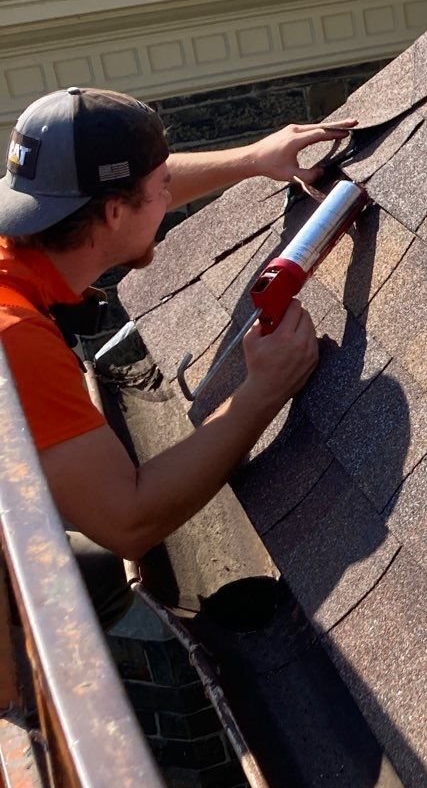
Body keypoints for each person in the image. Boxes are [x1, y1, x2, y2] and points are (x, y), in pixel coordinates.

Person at [0, 87, 350, 583]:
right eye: (161, 187)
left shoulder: (24, 226)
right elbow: (128, 520)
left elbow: (133, 190)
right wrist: (262, 393)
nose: (168, 196)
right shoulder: (14, 338)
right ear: (113, 214)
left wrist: (253, 159)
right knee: (83, 585)